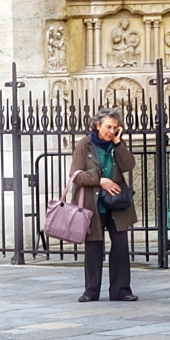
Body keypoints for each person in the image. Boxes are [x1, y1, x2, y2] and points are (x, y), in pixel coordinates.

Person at [68, 111, 138, 302]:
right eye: (108, 127)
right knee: (93, 247)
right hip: (93, 202)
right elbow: (76, 175)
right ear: (97, 125)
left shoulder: (117, 144)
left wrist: (118, 142)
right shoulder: (84, 144)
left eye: (115, 127)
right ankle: (91, 291)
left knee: (121, 245)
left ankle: (121, 290)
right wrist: (100, 181)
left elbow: (128, 165)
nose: (111, 131)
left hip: (116, 202)